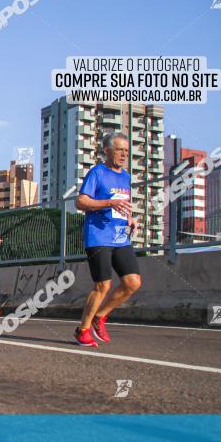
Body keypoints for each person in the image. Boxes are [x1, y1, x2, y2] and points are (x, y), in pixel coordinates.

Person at [74, 132, 142, 347]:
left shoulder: (126, 176)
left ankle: (99, 316)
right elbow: (81, 202)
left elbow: (123, 203)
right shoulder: (97, 172)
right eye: (120, 150)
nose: (124, 154)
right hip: (98, 236)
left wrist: (131, 219)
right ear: (107, 150)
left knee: (133, 282)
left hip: (120, 236)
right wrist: (108, 204)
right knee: (103, 285)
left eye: (127, 151)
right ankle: (82, 330)